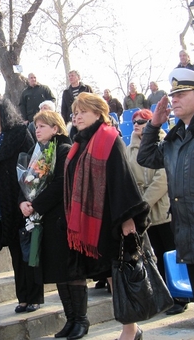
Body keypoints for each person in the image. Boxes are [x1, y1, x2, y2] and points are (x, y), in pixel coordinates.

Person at [137, 68, 194, 340]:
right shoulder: (176, 137)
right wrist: (154, 125)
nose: (174, 99)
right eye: (173, 95)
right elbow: (147, 158)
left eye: (182, 94)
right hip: (192, 241)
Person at [65, 92, 149, 340]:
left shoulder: (110, 139)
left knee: (119, 276)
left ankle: (130, 331)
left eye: (83, 111)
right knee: (111, 277)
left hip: (112, 221)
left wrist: (127, 220)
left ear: (98, 113)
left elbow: (122, 180)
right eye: (75, 112)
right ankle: (130, 329)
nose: (77, 116)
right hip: (93, 223)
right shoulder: (81, 142)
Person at [19, 111, 84, 338]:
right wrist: (23, 202)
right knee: (57, 271)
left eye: (43, 126)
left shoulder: (64, 149)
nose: (37, 130)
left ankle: (81, 320)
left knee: (71, 270)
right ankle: (70, 319)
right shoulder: (36, 152)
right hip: (45, 220)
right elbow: (25, 181)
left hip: (62, 220)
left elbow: (59, 185)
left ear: (56, 128)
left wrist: (35, 204)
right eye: (36, 126)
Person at [0, 98, 43, 313]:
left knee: (28, 253)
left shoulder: (19, 134)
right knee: (15, 253)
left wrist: (27, 198)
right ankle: (22, 297)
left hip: (21, 201)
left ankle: (34, 296)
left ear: (3, 113)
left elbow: (34, 165)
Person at [126, 109, 187, 316]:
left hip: (163, 208)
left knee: (172, 252)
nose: (136, 124)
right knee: (156, 256)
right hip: (146, 214)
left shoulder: (164, 143)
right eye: (134, 121)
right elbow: (129, 178)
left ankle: (181, 295)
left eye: (141, 121)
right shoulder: (130, 150)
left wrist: (143, 202)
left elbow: (162, 178)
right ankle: (166, 296)